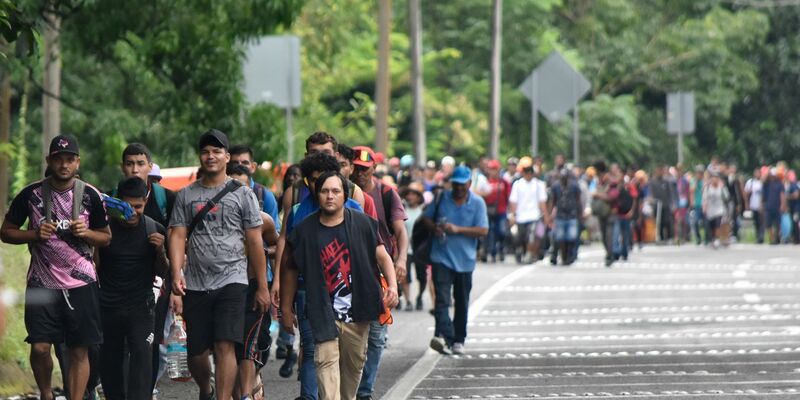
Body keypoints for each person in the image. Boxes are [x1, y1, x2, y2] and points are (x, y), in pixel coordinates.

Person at [1, 135, 111, 400]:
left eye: (70, 159)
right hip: (42, 283)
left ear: (78, 163)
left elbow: (106, 237)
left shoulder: (90, 195)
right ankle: (47, 394)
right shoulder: (30, 194)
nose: (64, 165)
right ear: (49, 161)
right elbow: (5, 232)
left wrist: (86, 233)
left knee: (79, 349)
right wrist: (34, 235)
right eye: (59, 159)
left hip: (81, 284)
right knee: (39, 347)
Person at [168, 129, 269, 400]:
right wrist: (177, 273)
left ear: (226, 156)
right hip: (197, 282)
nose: (210, 156)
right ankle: (206, 388)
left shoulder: (243, 194)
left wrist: (261, 286)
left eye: (216, 151)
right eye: (205, 152)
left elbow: (255, 242)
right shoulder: (186, 195)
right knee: (197, 352)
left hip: (233, 279)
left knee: (226, 344)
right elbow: (177, 235)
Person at [280, 171, 399, 400]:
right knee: (326, 369)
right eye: (324, 191)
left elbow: (383, 256)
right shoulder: (304, 230)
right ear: (317, 195)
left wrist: (392, 286)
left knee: (352, 374)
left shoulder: (363, 223)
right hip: (321, 312)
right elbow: (290, 269)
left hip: (358, 313)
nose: (330, 196)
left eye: (336, 191)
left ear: (345, 195)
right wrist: (286, 308)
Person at [282, 152, 366, 400]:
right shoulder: (299, 212)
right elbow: (289, 262)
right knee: (315, 352)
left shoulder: (355, 210)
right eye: (314, 181)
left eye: (327, 183)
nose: (323, 189)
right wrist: (285, 306)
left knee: (352, 361)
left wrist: (387, 288)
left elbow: (374, 254)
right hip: (310, 294)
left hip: (351, 299)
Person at [97, 177, 168, 400]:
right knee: (111, 362)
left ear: (145, 201)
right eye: (127, 207)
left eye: (138, 206)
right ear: (119, 203)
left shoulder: (153, 228)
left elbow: (165, 273)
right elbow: (94, 267)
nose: (133, 213)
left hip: (141, 307)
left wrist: (161, 251)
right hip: (108, 307)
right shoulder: (104, 229)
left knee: (142, 357)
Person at [117, 142, 178, 395]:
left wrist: (176, 286)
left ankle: (147, 389)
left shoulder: (167, 199)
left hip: (157, 283)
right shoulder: (111, 197)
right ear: (123, 168)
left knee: (151, 341)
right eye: (130, 164)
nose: (135, 169)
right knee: (118, 343)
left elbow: (178, 242)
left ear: (150, 167)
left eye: (140, 163)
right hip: (117, 284)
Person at [350, 145, 408, 400]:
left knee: (376, 335)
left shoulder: (386, 193)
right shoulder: (340, 191)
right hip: (347, 271)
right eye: (357, 169)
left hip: (380, 273)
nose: (361, 174)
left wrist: (402, 260)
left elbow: (400, 230)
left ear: (374, 168)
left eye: (366, 169)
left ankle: (365, 390)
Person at [421, 166, 488, 355]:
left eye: (462, 184)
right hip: (441, 256)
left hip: (465, 260)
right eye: (456, 184)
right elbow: (426, 218)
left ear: (469, 183)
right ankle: (447, 337)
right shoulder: (442, 198)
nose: (459, 188)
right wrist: (435, 228)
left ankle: (458, 338)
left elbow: (483, 230)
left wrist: (457, 229)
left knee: (462, 301)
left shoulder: (477, 203)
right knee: (441, 299)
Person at [227, 163, 280, 400]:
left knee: (251, 346)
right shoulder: (215, 218)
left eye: (243, 186)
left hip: (253, 287)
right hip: (221, 288)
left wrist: (260, 252)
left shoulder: (263, 220)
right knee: (227, 346)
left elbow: (278, 246)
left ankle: (247, 393)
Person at [508, 160, 548, 264]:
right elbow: (513, 201)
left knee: (532, 236)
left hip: (534, 216)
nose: (529, 175)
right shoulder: (517, 184)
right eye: (527, 173)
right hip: (521, 216)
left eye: (531, 173)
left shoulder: (538, 185)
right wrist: (513, 214)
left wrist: (545, 215)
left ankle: (529, 255)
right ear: (523, 173)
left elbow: (542, 201)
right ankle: (520, 251)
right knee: (520, 237)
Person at [401, 182, 427, 311]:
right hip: (405, 248)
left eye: (413, 194)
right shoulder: (401, 210)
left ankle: (420, 296)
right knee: (405, 275)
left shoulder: (424, 211)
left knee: (422, 276)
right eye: (408, 194)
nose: (410, 196)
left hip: (420, 249)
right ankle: (408, 300)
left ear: (419, 197)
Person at [549, 169, 581, 265]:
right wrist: (550, 214)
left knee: (571, 237)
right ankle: (558, 256)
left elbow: (578, 200)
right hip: (560, 215)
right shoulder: (556, 186)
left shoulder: (574, 186)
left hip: (572, 215)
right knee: (559, 237)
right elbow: (552, 201)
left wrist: (580, 213)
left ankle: (570, 255)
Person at [591, 161, 619, 267]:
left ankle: (610, 256)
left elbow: (612, 197)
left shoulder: (610, 181)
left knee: (609, 235)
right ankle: (608, 253)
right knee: (604, 235)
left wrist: (598, 195)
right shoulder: (599, 181)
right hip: (601, 212)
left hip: (611, 212)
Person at [482, 160, 511, 263]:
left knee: (502, 231)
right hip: (488, 211)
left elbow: (509, 197)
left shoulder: (504, 182)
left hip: (501, 210)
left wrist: (510, 211)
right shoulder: (485, 182)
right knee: (489, 233)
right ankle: (491, 251)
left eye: (495, 169)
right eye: (491, 169)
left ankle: (501, 248)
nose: (493, 172)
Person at [703, 173, 729, 248]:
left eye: (716, 178)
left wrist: (723, 187)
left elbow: (727, 197)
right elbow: (705, 198)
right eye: (713, 178)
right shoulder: (708, 187)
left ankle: (717, 239)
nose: (715, 180)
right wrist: (704, 207)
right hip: (710, 210)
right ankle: (713, 239)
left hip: (719, 209)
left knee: (718, 224)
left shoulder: (721, 187)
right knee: (711, 226)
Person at [762, 168, 786, 245]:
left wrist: (782, 205)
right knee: (768, 224)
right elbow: (763, 196)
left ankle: (777, 237)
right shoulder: (766, 184)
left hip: (777, 206)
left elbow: (782, 195)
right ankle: (771, 239)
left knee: (777, 224)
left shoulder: (779, 183)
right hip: (768, 206)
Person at [744, 168, 765, 244]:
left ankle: (761, 236)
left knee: (761, 221)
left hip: (761, 205)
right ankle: (757, 236)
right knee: (756, 221)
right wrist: (747, 204)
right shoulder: (750, 182)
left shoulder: (762, 182)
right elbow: (746, 194)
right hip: (753, 204)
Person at [690, 165, 707, 245]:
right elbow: (692, 190)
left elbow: (705, 190)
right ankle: (698, 238)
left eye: (701, 173)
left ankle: (707, 238)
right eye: (698, 173)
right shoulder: (693, 180)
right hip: (696, 204)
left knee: (706, 222)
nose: (699, 175)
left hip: (705, 204)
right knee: (695, 222)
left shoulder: (705, 181)